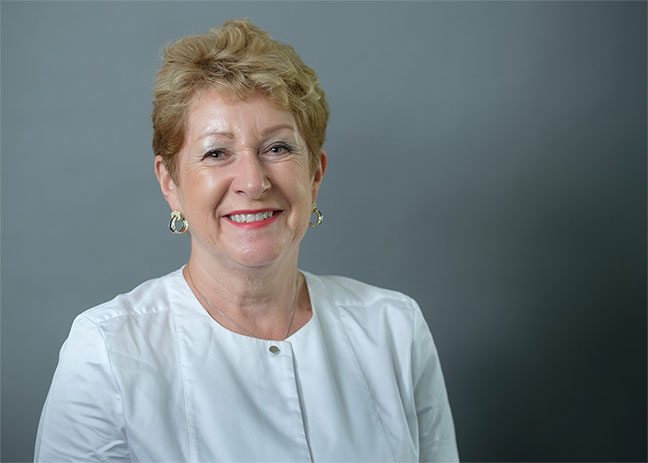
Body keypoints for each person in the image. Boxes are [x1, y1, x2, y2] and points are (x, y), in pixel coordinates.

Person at [34, 19, 459, 462]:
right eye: (217, 153)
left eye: (278, 148)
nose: (253, 182)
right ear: (170, 183)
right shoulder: (107, 351)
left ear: (314, 175)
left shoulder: (394, 329)